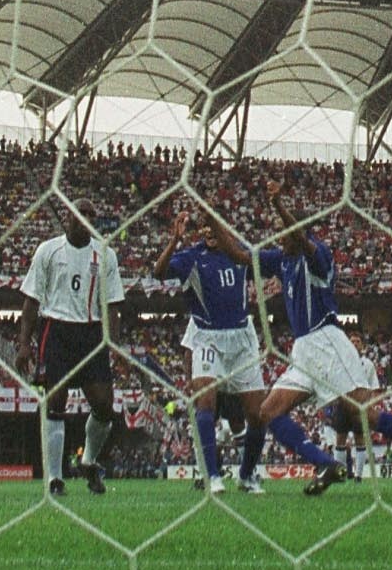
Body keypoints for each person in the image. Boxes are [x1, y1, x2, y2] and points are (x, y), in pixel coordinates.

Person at [242, 180, 392, 496]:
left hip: (328, 342)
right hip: (304, 350)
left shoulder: (317, 254)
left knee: (367, 415)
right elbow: (242, 256)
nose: (278, 236)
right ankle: (325, 463)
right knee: (267, 412)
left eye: (283, 228)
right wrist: (212, 225)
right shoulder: (282, 259)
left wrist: (279, 203)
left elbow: (301, 240)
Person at [16, 201, 126, 497]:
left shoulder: (105, 255)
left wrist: (114, 344)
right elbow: (31, 301)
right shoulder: (48, 250)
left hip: (91, 333)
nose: (84, 219)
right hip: (57, 330)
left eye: (91, 215)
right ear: (67, 219)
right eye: (80, 214)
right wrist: (24, 344)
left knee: (104, 405)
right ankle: (54, 478)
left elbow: (113, 304)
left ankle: (88, 460)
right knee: (55, 402)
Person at [153, 211, 268, 495]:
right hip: (207, 338)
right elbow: (158, 273)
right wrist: (174, 241)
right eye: (204, 227)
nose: (208, 232)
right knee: (205, 405)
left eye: (213, 226)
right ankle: (212, 476)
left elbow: (265, 266)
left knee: (257, 414)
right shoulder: (192, 256)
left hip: (242, 339)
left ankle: (247, 474)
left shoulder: (239, 253)